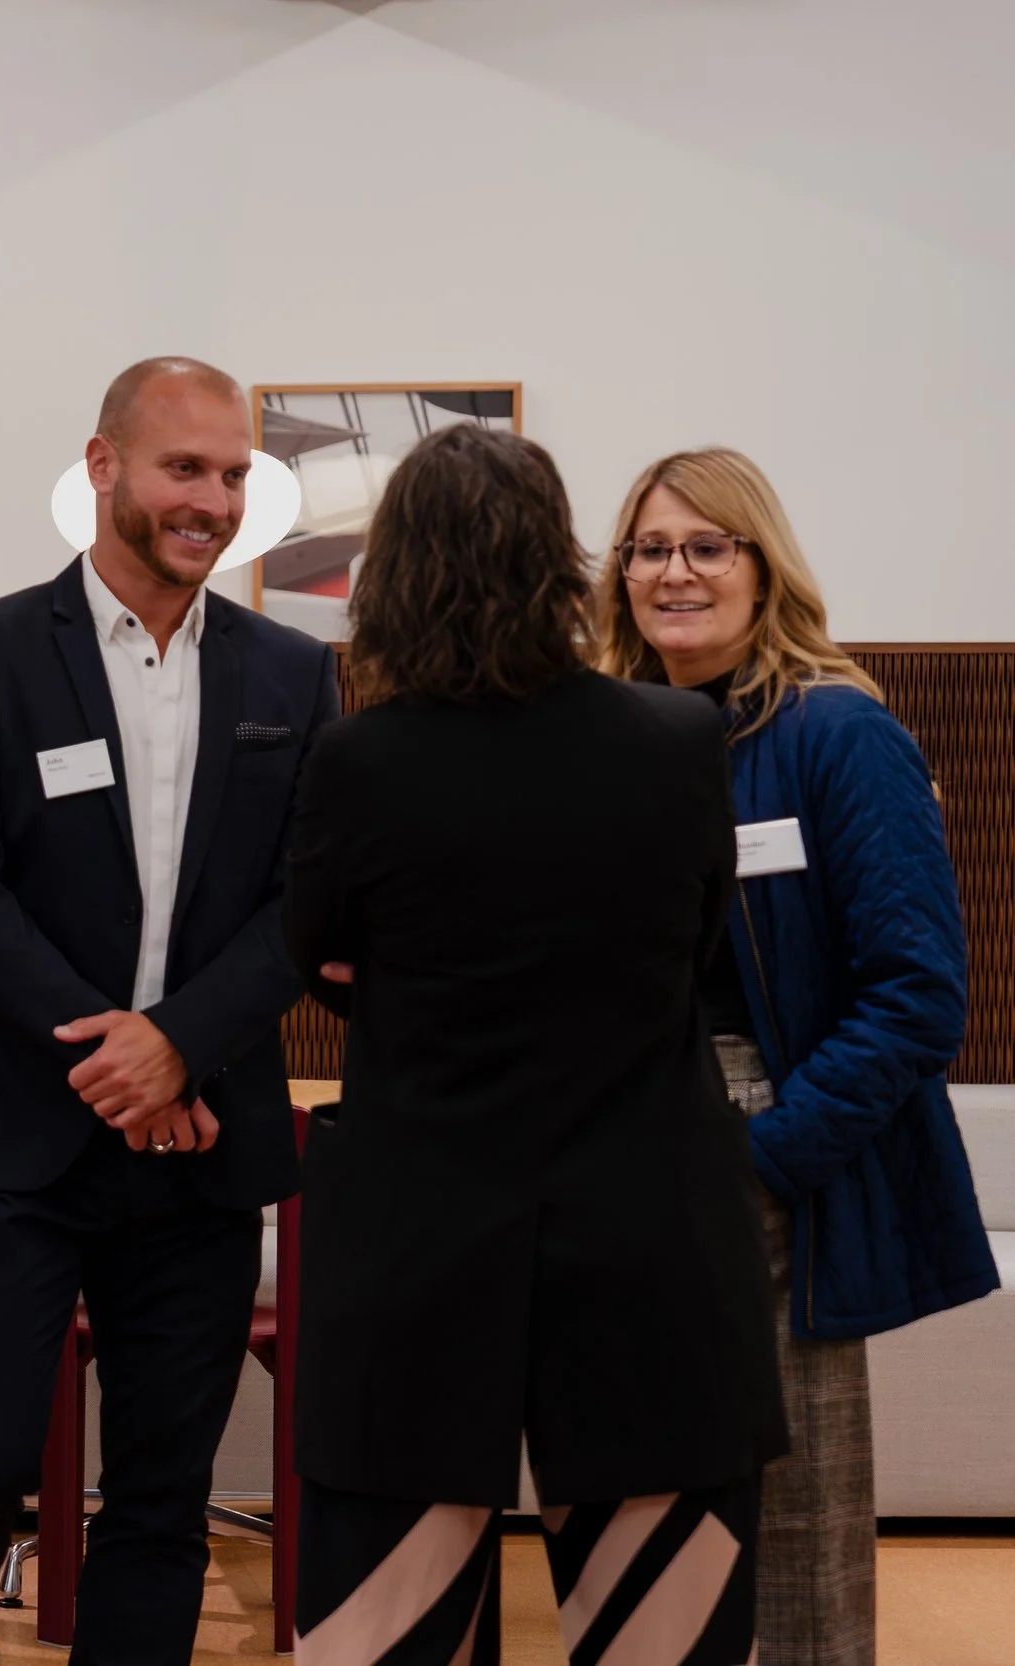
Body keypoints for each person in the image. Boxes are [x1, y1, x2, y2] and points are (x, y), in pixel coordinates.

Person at [281, 425, 788, 1664]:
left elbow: (314, 954)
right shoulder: (675, 742)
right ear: (561, 564)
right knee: (659, 1639)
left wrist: (407, 992)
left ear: (394, 573)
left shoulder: (357, 761)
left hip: (418, 1237)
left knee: (382, 1636)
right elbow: (689, 945)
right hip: (650, 1232)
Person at [0, 357, 338, 1666]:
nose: (211, 498)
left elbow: (303, 906)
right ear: (103, 468)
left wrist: (181, 1044)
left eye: (234, 474)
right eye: (183, 467)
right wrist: (117, 1054)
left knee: (162, 1497)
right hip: (11, 1137)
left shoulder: (289, 679)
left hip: (200, 1147)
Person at [592, 448, 997, 1666]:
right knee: (643, 1528)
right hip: (624, 1163)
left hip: (773, 1165)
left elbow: (918, 997)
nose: (675, 572)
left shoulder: (834, 730)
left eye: (707, 546)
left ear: (764, 567)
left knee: (793, 1539)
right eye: (650, 547)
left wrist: (767, 1161)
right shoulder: (606, 736)